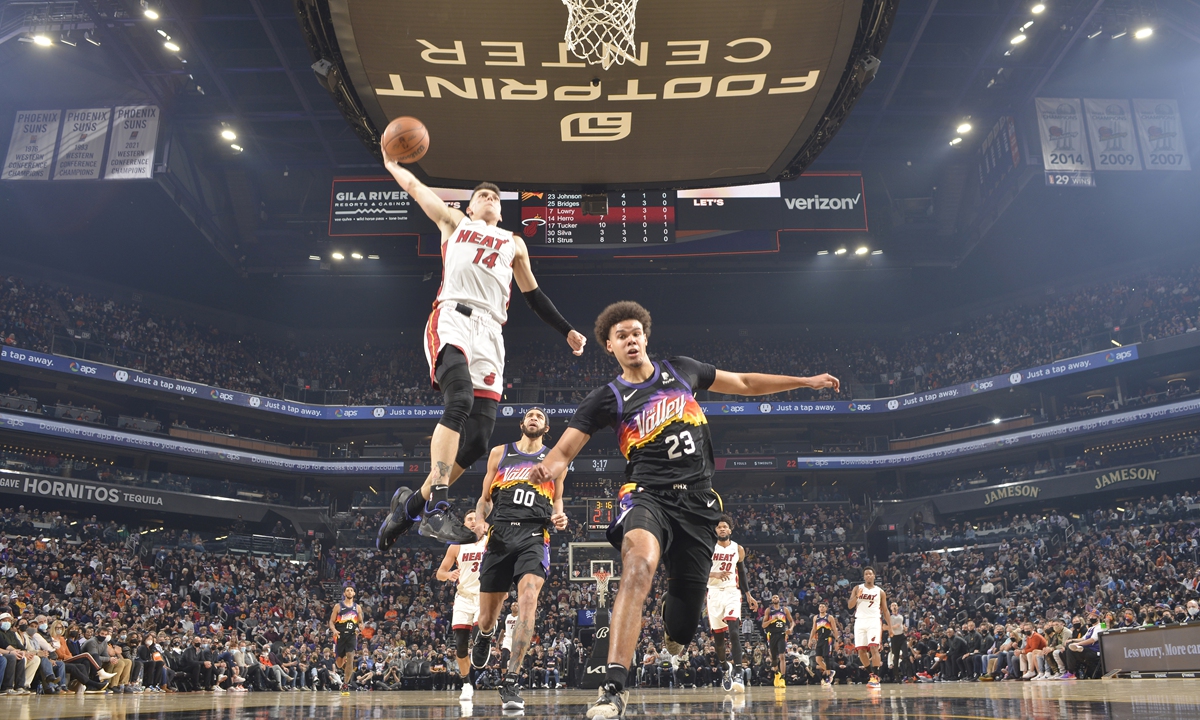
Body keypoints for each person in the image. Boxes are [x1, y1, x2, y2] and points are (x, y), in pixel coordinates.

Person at [527, 301, 839, 718]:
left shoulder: (682, 370)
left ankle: (674, 617)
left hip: (698, 502)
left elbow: (745, 382)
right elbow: (563, 451)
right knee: (637, 567)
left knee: (682, 626)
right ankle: (613, 688)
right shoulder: (608, 397)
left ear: (646, 337)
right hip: (647, 495)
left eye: (636, 332)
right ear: (609, 346)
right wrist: (543, 470)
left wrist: (804, 381)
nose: (631, 339)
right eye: (621, 335)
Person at [375, 160, 586, 548]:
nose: (489, 198)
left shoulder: (513, 242)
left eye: (495, 196)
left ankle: (408, 512)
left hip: (491, 332)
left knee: (478, 440)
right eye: (481, 195)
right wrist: (393, 164)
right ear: (470, 207)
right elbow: (418, 190)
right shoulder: (455, 224)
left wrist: (566, 330)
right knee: (459, 402)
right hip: (453, 315)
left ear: (501, 210)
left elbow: (534, 296)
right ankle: (438, 507)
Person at [469, 408, 569, 711]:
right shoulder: (500, 452)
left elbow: (558, 498)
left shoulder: (555, 459)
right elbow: (484, 498)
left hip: (534, 535)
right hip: (499, 536)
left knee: (528, 598)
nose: (534, 417)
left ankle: (511, 679)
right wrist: (479, 521)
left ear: (546, 427)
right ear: (522, 424)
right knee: (488, 616)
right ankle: (485, 634)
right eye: (530, 415)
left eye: (539, 416)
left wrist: (558, 515)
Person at [435, 509, 488, 701]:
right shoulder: (456, 546)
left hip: (483, 596)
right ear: (464, 523)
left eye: (476, 519)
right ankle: (467, 683)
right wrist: (449, 575)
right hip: (463, 598)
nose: (473, 522)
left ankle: (487, 636)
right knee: (460, 647)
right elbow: (440, 573)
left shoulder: (488, 541)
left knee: (479, 635)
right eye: (469, 519)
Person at [707, 515, 757, 692]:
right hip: (713, 593)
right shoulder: (708, 547)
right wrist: (715, 575)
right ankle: (725, 668)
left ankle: (738, 670)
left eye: (725, 526)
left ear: (730, 529)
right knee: (719, 640)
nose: (721, 529)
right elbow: (699, 571)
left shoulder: (738, 549)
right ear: (715, 530)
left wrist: (749, 595)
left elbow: (742, 573)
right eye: (719, 526)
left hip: (731, 592)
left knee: (734, 631)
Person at [849, 567, 891, 688]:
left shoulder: (880, 591)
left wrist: (890, 627)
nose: (868, 576)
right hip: (860, 621)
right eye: (866, 574)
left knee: (874, 647)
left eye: (870, 574)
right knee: (861, 651)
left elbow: (885, 610)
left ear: (874, 576)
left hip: (873, 620)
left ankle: (876, 677)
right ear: (864, 576)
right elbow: (850, 605)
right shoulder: (857, 588)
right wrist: (857, 596)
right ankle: (872, 675)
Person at [329, 586, 363, 694]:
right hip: (340, 636)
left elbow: (361, 622)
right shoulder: (338, 607)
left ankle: (345, 684)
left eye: (351, 590)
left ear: (354, 594)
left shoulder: (357, 607)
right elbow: (331, 622)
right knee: (339, 664)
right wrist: (334, 630)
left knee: (350, 657)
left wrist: (361, 627)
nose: (349, 591)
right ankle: (343, 662)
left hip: (352, 636)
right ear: (344, 593)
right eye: (347, 590)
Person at [761, 594, 795, 687]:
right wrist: (771, 620)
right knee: (773, 657)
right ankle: (776, 673)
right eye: (773, 597)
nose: (775, 598)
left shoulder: (785, 610)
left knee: (782, 656)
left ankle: (783, 678)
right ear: (772, 600)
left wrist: (790, 629)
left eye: (776, 597)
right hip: (771, 635)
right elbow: (763, 625)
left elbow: (792, 622)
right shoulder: (769, 610)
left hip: (781, 634)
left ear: (779, 599)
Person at [809, 602, 840, 686]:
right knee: (818, 660)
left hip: (828, 639)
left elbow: (834, 629)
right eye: (820, 606)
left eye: (823, 607)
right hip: (820, 639)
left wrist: (837, 641)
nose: (821, 608)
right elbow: (813, 629)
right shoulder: (815, 617)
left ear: (826, 608)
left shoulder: (830, 617)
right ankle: (830, 672)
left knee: (826, 657)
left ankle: (828, 678)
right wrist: (810, 639)